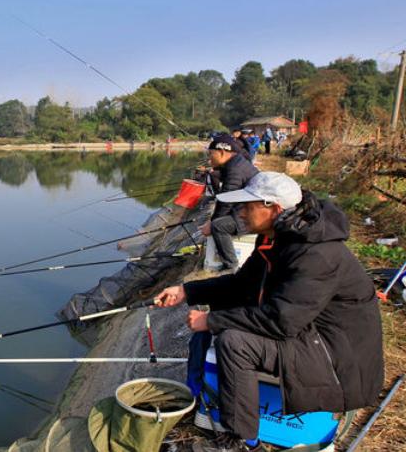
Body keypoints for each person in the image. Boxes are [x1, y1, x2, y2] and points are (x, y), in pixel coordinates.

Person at [154, 172, 384, 452]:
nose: (240, 212)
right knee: (227, 312)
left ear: (273, 208)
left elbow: (281, 321)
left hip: (337, 359)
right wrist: (187, 291)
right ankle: (209, 398)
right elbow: (242, 284)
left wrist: (211, 321)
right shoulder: (275, 237)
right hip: (308, 332)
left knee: (234, 342)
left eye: (247, 206)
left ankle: (242, 440)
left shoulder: (316, 255)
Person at [202, 134, 259, 272]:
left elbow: (226, 200)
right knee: (218, 221)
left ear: (222, 152)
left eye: (211, 154)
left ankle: (231, 266)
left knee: (218, 226)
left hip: (254, 215)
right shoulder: (236, 163)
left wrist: (211, 222)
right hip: (249, 209)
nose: (209, 159)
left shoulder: (235, 170)